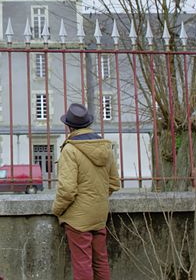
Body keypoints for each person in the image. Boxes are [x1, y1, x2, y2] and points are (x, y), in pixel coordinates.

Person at [52, 103, 120, 280]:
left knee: (83, 265)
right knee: (101, 262)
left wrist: (57, 210)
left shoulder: (70, 149)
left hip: (78, 219)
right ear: (88, 123)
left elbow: (67, 191)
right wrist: (97, 198)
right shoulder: (106, 147)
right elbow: (114, 183)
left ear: (69, 126)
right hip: (99, 215)